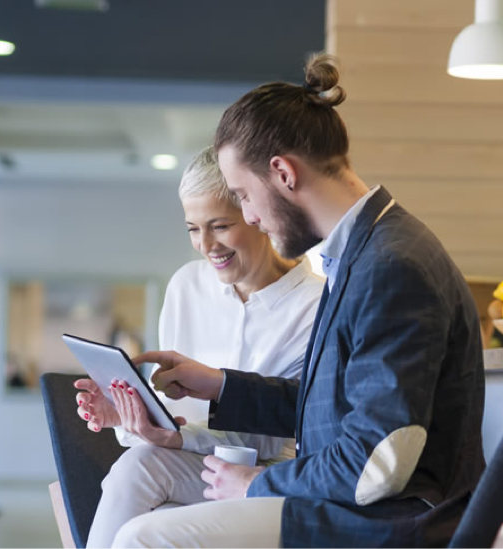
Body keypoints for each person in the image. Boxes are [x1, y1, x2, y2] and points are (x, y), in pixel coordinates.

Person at [112, 53, 486, 548]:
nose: (250, 216)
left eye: (243, 196)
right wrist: (220, 385)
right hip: (351, 503)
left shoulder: (392, 266)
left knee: (144, 539)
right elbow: (326, 411)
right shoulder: (363, 250)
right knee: (142, 489)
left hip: (392, 522)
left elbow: (379, 461)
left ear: (283, 174)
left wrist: (257, 484)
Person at [74, 146, 324, 548]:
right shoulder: (186, 286)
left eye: (220, 226)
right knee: (138, 468)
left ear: (257, 213)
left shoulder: (314, 308)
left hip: (265, 478)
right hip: (187, 463)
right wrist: (129, 414)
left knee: (148, 515)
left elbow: (268, 441)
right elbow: (171, 419)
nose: (206, 245)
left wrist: (177, 438)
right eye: (193, 228)